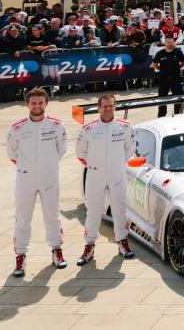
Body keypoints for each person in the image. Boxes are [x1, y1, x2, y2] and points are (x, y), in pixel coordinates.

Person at [7, 87, 68, 276]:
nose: (37, 106)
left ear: (46, 104)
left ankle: (56, 250)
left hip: (49, 177)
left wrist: (47, 165)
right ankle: (20, 256)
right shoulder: (17, 127)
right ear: (27, 104)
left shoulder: (57, 125)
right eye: (33, 103)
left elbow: (62, 150)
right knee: (23, 217)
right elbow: (11, 152)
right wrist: (27, 167)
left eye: (40, 103)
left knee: (52, 215)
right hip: (25, 178)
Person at [75, 94, 136, 266]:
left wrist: (116, 164)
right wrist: (96, 165)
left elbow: (130, 149)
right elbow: (80, 153)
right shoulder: (88, 129)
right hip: (95, 175)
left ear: (115, 107)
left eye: (111, 106)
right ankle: (89, 246)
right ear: (98, 108)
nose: (108, 109)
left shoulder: (125, 127)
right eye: (104, 106)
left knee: (119, 209)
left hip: (117, 174)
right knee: (93, 211)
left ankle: (122, 242)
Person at [151, 35, 184, 117]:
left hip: (176, 77)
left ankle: (178, 115)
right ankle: (161, 116)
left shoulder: (178, 52)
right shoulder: (160, 53)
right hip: (163, 78)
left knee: (178, 96)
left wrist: (178, 68)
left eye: (171, 42)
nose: (170, 43)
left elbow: (183, 62)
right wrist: (162, 69)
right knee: (162, 98)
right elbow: (154, 65)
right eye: (168, 42)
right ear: (165, 43)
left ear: (174, 43)